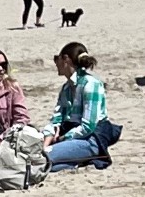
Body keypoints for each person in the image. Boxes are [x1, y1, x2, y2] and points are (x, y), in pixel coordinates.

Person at [45, 43, 114, 171]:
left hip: (89, 140)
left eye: (57, 58)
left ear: (66, 59)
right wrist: (48, 136)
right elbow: (56, 119)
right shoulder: (66, 88)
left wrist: (62, 138)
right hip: (71, 137)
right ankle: (75, 162)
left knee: (45, 157)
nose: (56, 63)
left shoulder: (91, 84)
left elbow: (88, 126)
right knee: (47, 162)